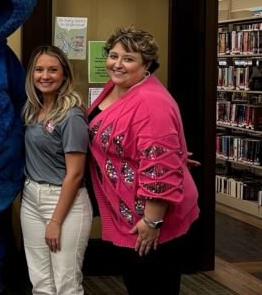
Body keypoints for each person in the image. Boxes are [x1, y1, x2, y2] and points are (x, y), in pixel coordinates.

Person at [86, 26, 199, 295]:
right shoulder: (116, 86)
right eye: (114, 56)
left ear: (147, 64)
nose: (117, 64)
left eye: (128, 59)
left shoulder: (150, 102)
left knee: (151, 286)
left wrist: (152, 222)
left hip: (151, 220)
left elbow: (159, 168)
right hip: (130, 213)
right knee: (137, 283)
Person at [19, 45, 92, 295]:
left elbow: (76, 174)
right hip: (31, 199)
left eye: (53, 70)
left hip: (64, 201)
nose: (45, 76)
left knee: (66, 283)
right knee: (40, 283)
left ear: (64, 75)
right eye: (39, 70)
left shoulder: (71, 115)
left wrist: (56, 221)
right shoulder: (32, 110)